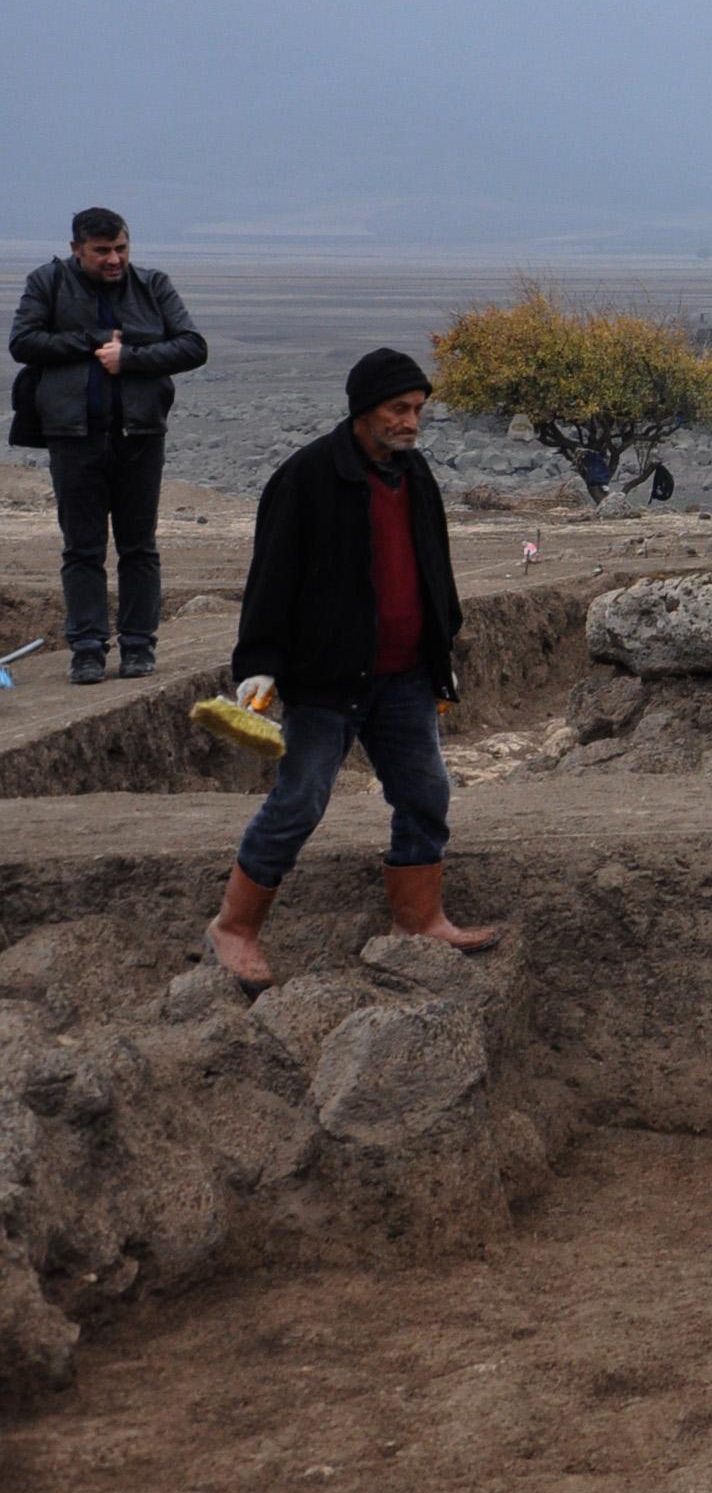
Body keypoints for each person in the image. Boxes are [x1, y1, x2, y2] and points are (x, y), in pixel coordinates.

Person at [201, 351, 503, 990]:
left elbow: (432, 566)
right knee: (301, 800)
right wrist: (259, 663)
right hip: (327, 680)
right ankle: (234, 928)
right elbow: (271, 579)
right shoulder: (306, 477)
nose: (412, 422)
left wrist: (441, 644)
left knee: (425, 795)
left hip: (404, 679)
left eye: (419, 410)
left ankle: (418, 920)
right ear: (363, 409)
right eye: (400, 409)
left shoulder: (415, 475)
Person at [10, 207, 207, 685]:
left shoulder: (152, 286)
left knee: (139, 546)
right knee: (83, 547)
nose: (114, 259)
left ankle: (139, 646)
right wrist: (91, 341)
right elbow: (24, 342)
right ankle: (87, 648)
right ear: (78, 249)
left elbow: (192, 346)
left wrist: (130, 358)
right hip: (73, 438)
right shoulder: (48, 283)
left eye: (121, 248)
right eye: (102, 251)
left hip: (139, 436)